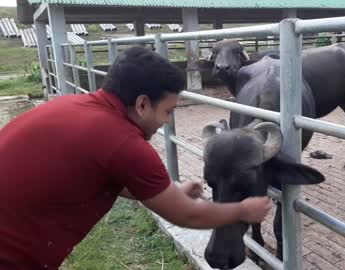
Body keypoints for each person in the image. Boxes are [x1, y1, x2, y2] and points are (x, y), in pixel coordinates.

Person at [0, 46, 272, 269]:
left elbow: (104, 175)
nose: (167, 123)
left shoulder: (71, 105)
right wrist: (243, 210)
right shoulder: (124, 142)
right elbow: (188, 215)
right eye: (168, 112)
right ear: (142, 104)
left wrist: (169, 191)